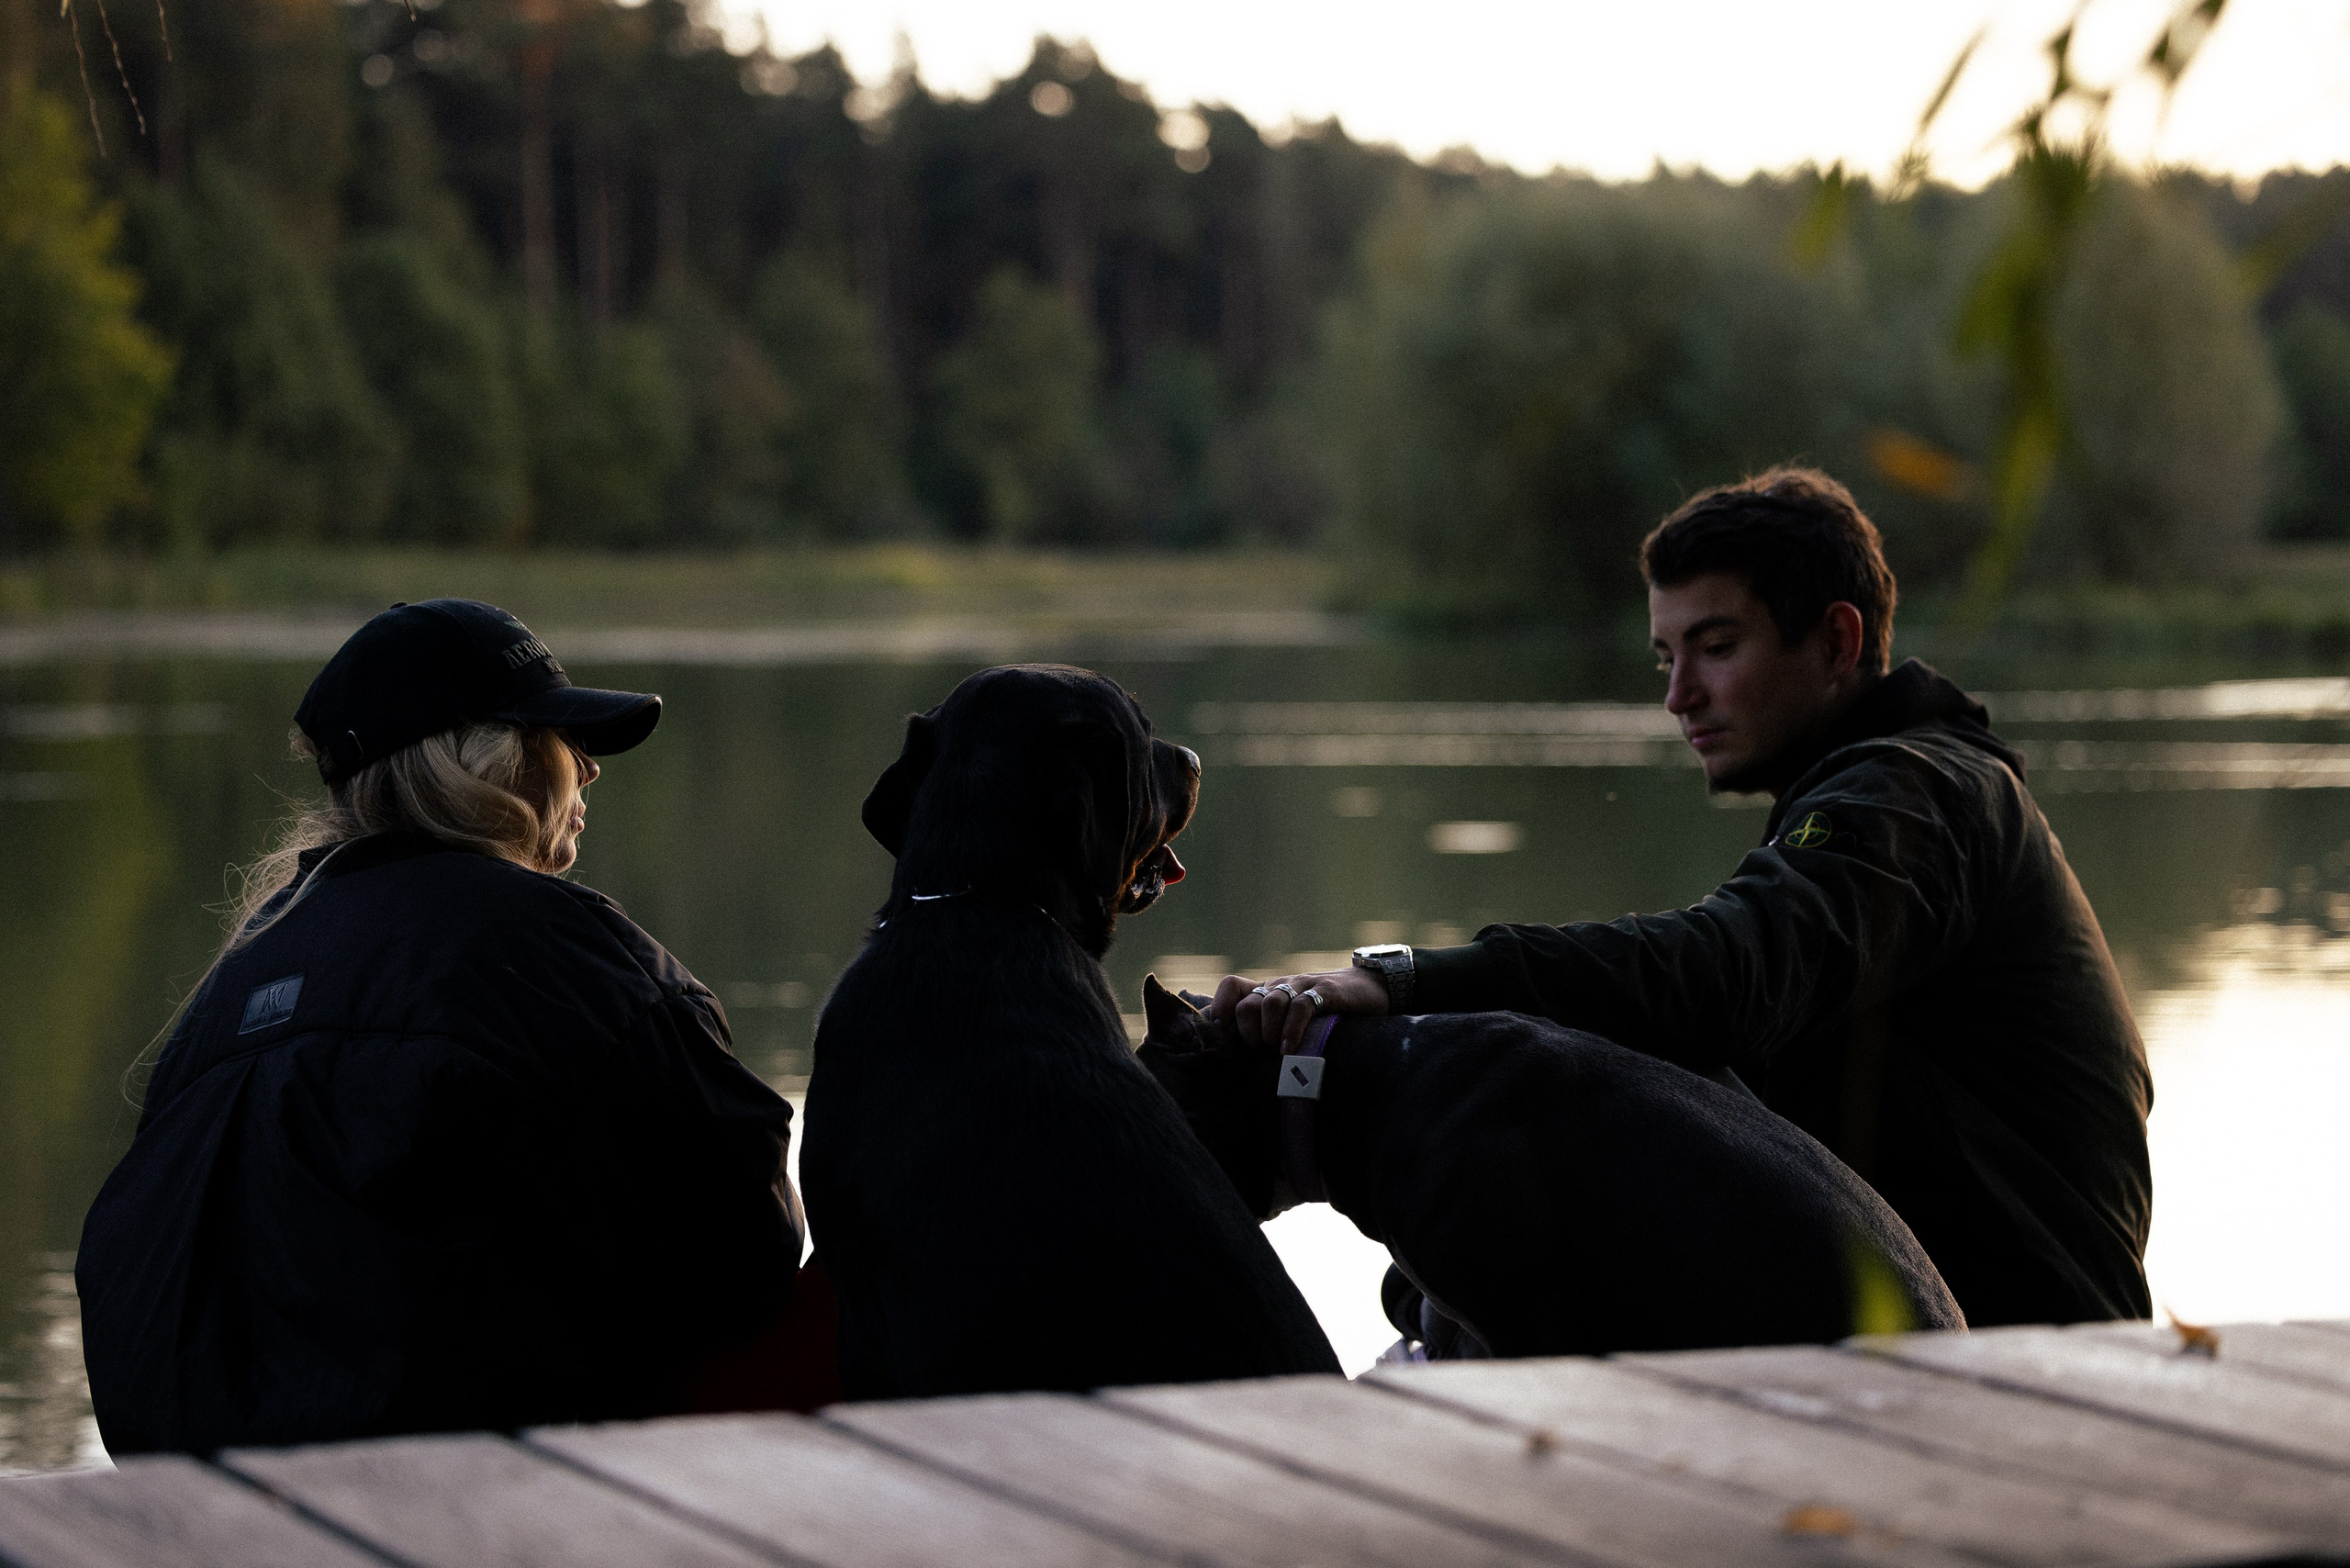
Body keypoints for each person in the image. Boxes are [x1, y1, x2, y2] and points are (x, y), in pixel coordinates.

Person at [1220, 469, 2154, 1329]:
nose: (1677, 696)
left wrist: (1405, 981)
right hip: (1925, 1322)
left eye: (1715, 648)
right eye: (1664, 657)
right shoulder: (1891, 794)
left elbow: (1720, 973)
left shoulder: (1916, 798)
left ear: (1837, 641)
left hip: (2027, 1358)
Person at [78, 599, 824, 1456]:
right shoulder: (553, 945)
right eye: (561, 741)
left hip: (195, 1491)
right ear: (493, 762)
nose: (588, 770)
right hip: (454, 1488)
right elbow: (747, 1244)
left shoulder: (237, 978)